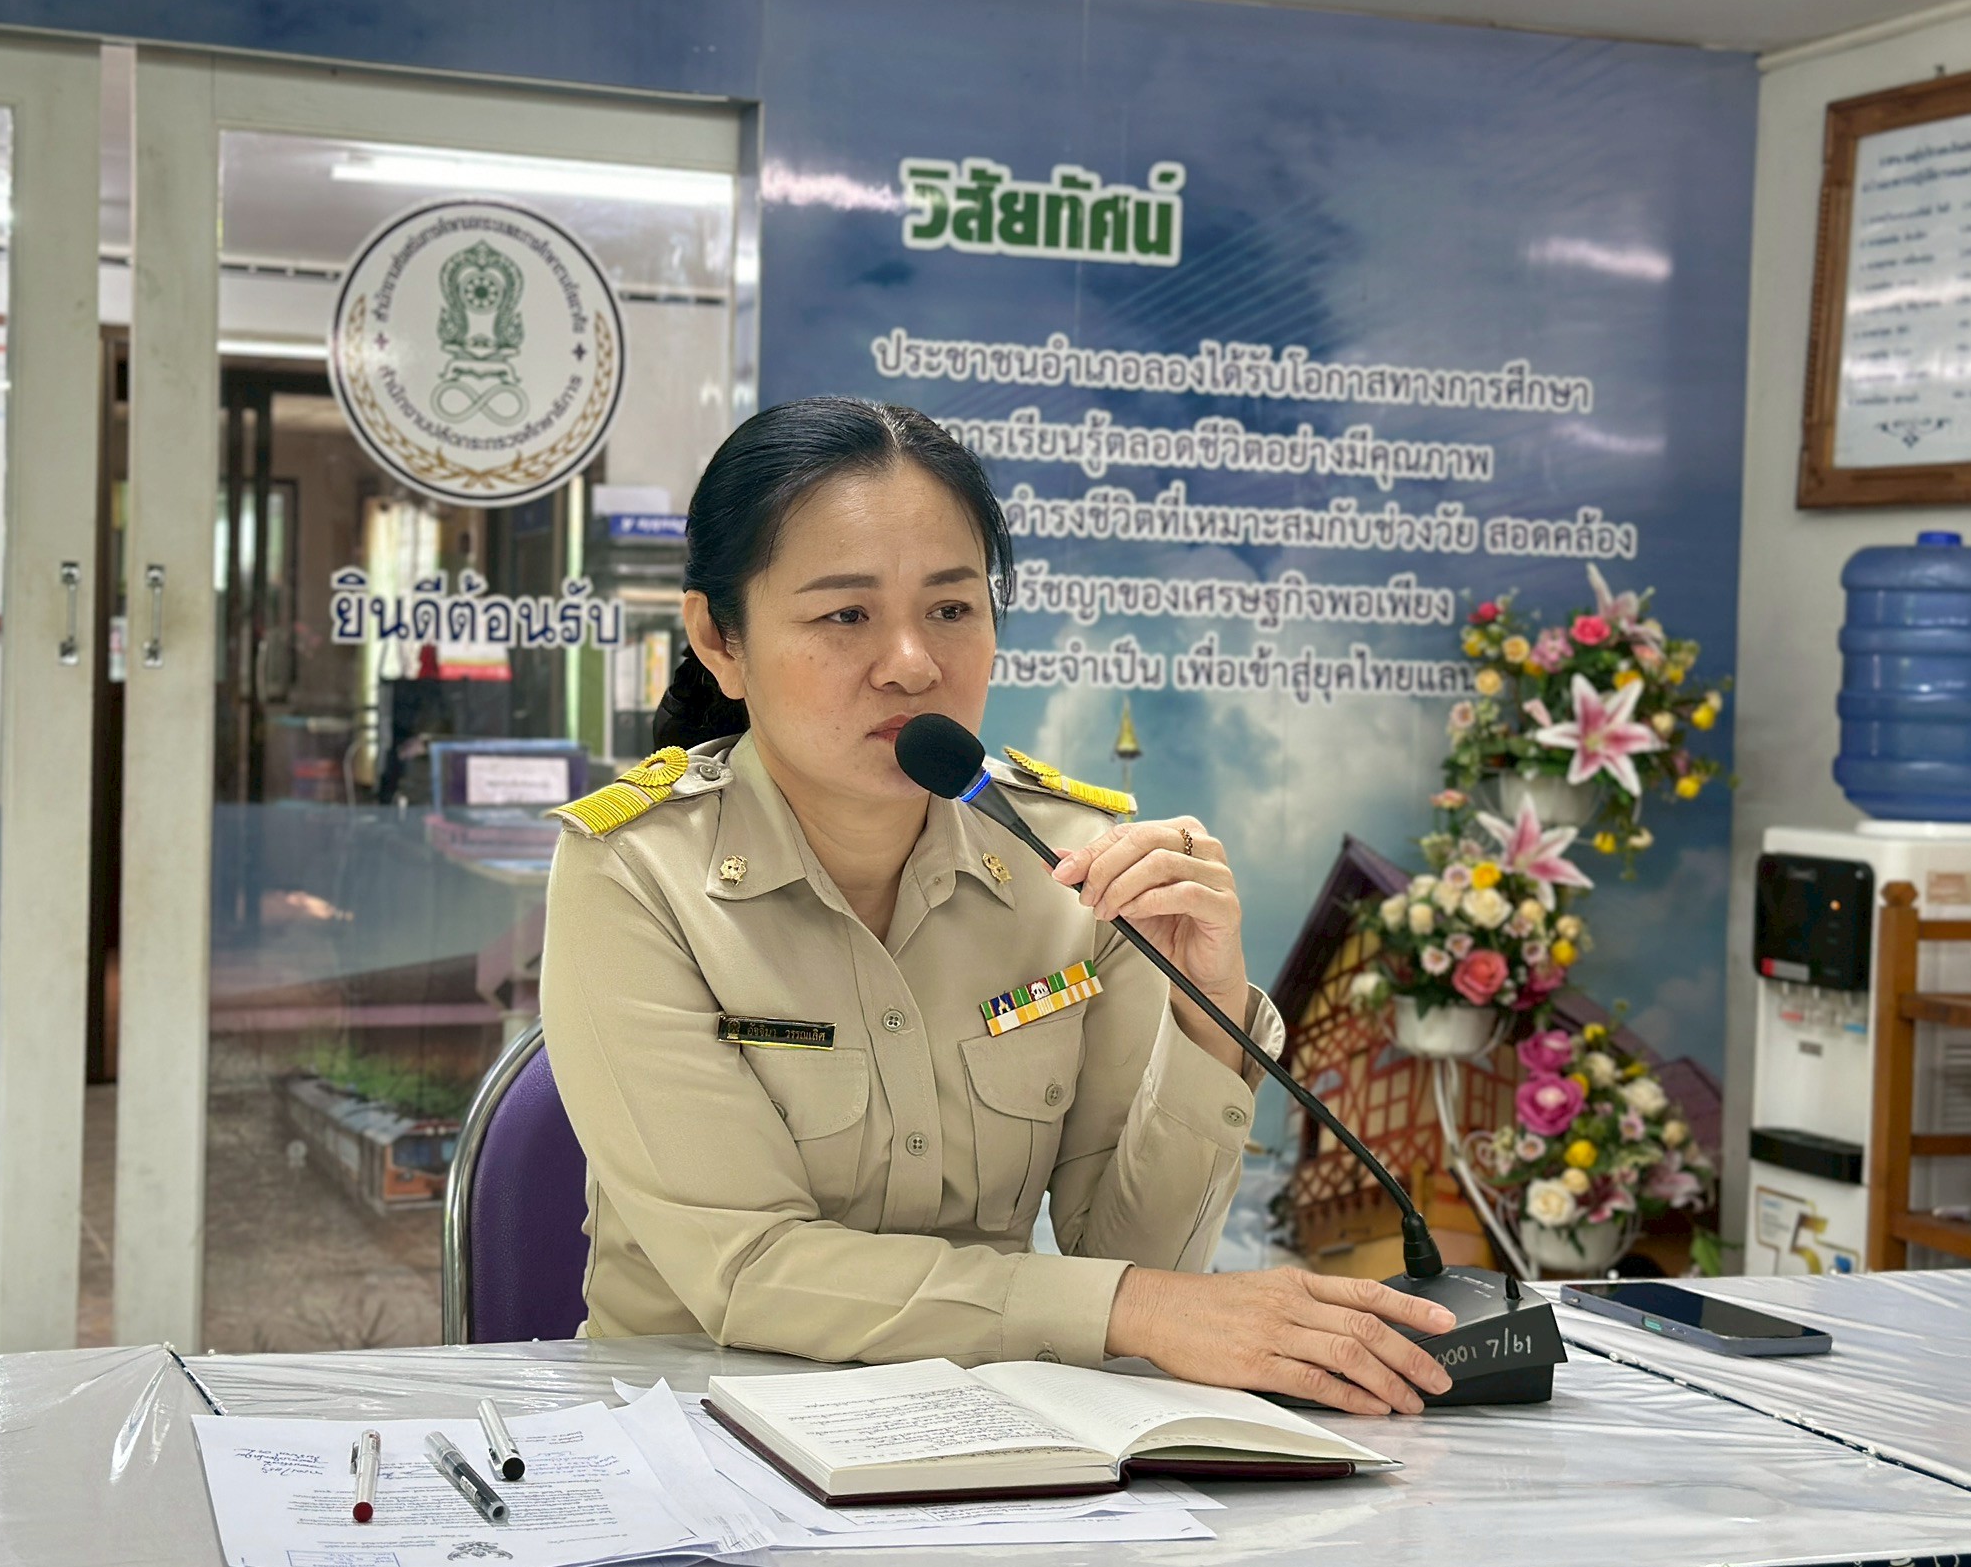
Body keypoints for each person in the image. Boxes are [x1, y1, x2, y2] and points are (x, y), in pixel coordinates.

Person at [540, 398, 1454, 1415]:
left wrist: (1205, 1014)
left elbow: (1138, 1262)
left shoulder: (1073, 864)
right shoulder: (633, 873)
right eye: (845, 615)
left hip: (998, 1440)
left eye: (951, 609)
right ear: (720, 638)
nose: (913, 663)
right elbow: (752, 1268)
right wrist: (1134, 1309)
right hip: (697, 1438)